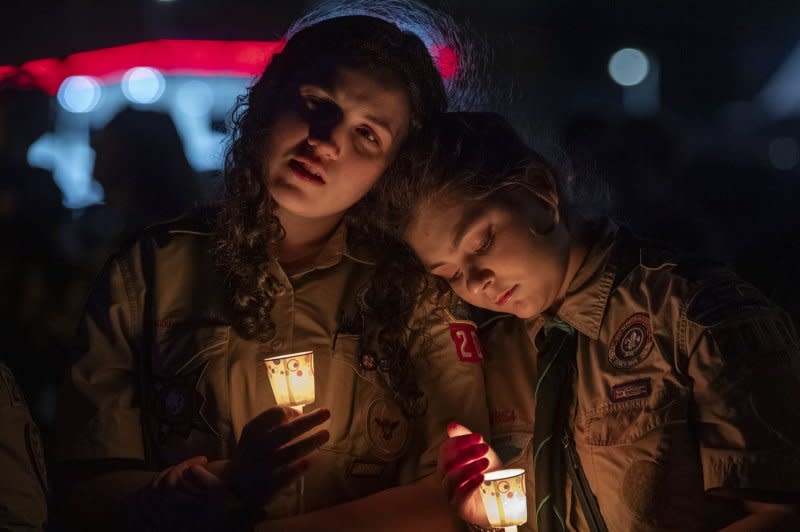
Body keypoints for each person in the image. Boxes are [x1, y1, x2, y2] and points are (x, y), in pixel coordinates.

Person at [54, 14, 489, 531]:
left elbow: (462, 491)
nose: (326, 142)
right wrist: (224, 484)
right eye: (317, 105)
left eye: (368, 134)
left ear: (394, 168)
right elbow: (83, 491)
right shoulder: (149, 275)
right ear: (267, 97)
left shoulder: (420, 293)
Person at [372, 112, 800, 531]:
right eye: (450, 274)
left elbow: (779, 514)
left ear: (540, 191)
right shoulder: (495, 354)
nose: (477, 282)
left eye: (482, 241)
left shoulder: (690, 315)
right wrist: (494, 517)